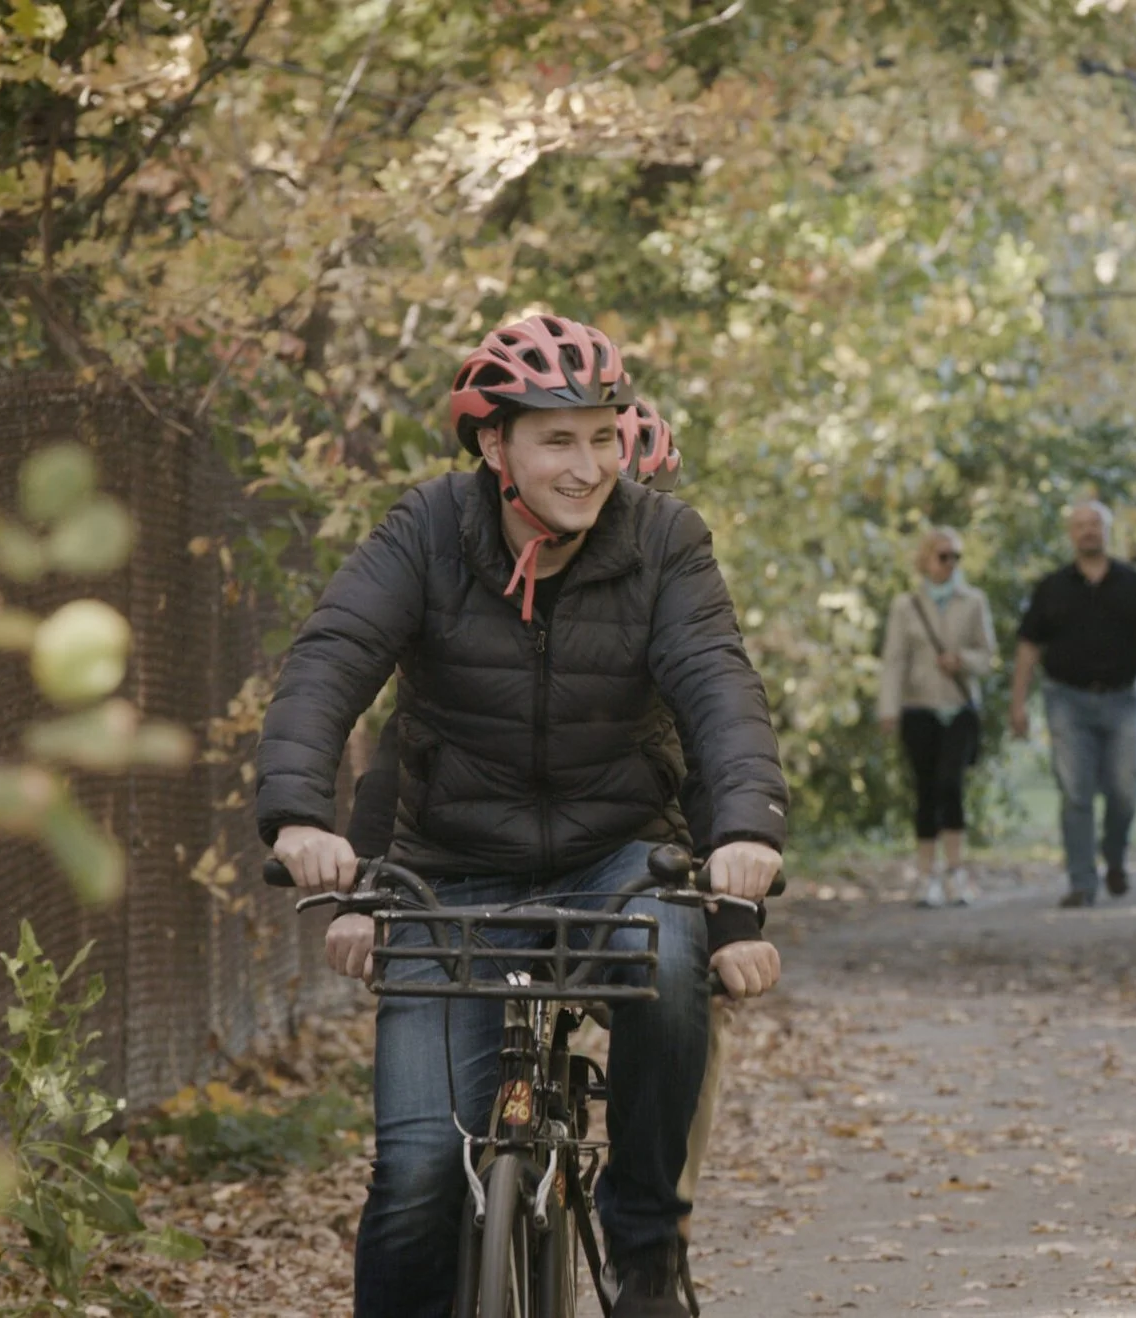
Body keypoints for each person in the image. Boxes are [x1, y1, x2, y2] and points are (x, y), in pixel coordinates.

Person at [257, 314, 786, 1318]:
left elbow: (716, 685)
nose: (588, 465)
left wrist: (746, 844)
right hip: (448, 869)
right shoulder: (426, 531)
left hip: (611, 856)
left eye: (602, 434)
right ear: (493, 446)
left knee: (670, 961)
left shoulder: (663, 539)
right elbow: (332, 658)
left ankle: (644, 1244)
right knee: (414, 1174)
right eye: (557, 438)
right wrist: (298, 817)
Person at [1006, 500, 1136, 908]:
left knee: (1125, 790)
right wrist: (1018, 703)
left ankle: (1114, 857)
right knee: (1076, 792)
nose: (1088, 532)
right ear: (1070, 534)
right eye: (1080, 525)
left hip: (1122, 699)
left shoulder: (1134, 585)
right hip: (1067, 701)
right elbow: (1028, 647)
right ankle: (1082, 881)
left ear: (1107, 531)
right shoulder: (1052, 587)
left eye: (1095, 524)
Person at [877, 527, 996, 908]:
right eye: (943, 556)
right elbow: (894, 660)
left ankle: (956, 871)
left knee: (951, 784)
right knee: (926, 790)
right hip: (918, 708)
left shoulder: (974, 601)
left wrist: (963, 661)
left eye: (956, 557)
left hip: (959, 707)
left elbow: (988, 655)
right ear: (926, 560)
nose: (950, 563)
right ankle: (926, 875)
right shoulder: (906, 605)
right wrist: (888, 708)